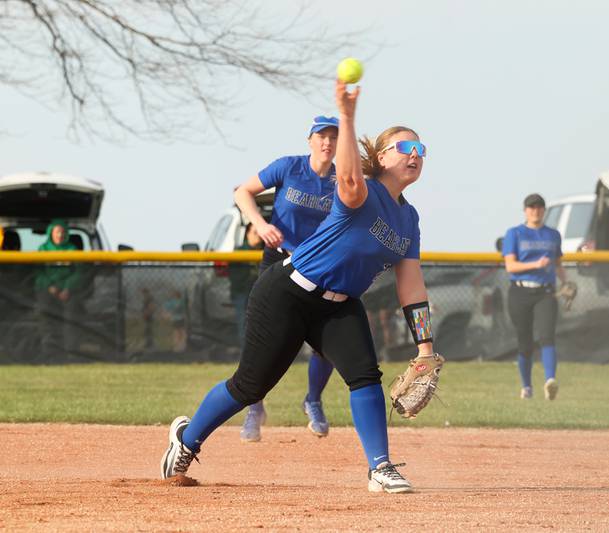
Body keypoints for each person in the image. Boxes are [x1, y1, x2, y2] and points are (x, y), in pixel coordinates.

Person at [161, 79, 435, 494]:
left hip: (339, 305)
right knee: (250, 386)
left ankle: (380, 467)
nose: (416, 155)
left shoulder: (409, 220)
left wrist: (426, 348)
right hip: (287, 293)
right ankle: (186, 440)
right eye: (406, 148)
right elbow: (346, 176)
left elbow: (411, 284)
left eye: (421, 150)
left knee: (365, 376)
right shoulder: (363, 193)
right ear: (381, 157)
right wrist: (345, 115)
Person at [231, 115, 340, 442]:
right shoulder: (288, 167)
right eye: (321, 136)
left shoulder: (342, 179)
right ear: (309, 140)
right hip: (279, 260)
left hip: (320, 265)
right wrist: (260, 225)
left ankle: (313, 400)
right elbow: (242, 193)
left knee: (327, 339)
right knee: (262, 337)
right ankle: (254, 407)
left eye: (334, 137)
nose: (327, 142)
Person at [501, 194, 568, 400]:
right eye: (531, 207)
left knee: (547, 335)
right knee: (525, 341)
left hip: (546, 291)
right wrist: (535, 265)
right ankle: (527, 387)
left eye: (539, 207)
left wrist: (566, 283)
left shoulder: (553, 235)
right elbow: (510, 266)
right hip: (520, 291)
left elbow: (557, 264)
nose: (535, 211)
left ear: (544, 210)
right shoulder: (515, 233)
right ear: (525, 210)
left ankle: (550, 381)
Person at [34, 220, 80, 356]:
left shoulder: (73, 250)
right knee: (45, 313)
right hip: (47, 291)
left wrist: (67, 288)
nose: (60, 235)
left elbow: (79, 272)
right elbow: (38, 272)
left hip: (68, 292)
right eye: (57, 232)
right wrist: (50, 287)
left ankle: (71, 351)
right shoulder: (43, 249)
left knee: (72, 313)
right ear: (51, 234)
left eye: (62, 232)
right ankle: (48, 351)